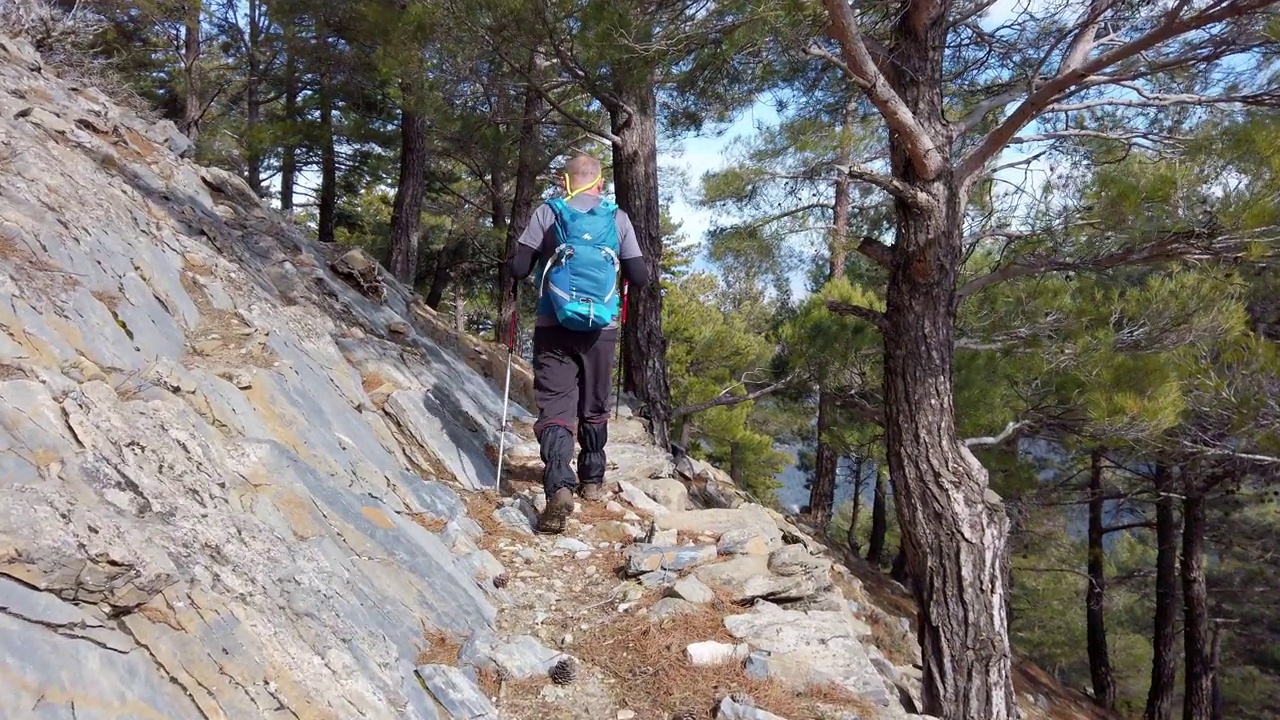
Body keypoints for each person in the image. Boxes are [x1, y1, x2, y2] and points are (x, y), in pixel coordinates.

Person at [506, 154, 650, 534]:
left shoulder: (547, 213)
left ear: (564, 181)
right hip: (601, 329)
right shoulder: (617, 218)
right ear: (599, 182)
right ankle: (592, 480)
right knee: (595, 402)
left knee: (555, 406)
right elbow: (640, 275)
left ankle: (558, 486)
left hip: (553, 323)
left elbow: (520, 268)